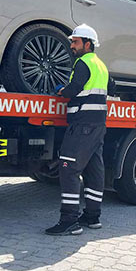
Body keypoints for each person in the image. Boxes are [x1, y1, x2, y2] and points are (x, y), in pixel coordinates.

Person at [45, 24, 115, 236]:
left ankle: (69, 221)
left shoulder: (82, 63)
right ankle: (92, 217)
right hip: (97, 125)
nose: (72, 46)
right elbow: (112, 88)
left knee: (69, 168)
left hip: (82, 124)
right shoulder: (101, 65)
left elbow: (73, 90)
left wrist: (61, 90)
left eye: (75, 42)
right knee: (94, 171)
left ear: (88, 44)